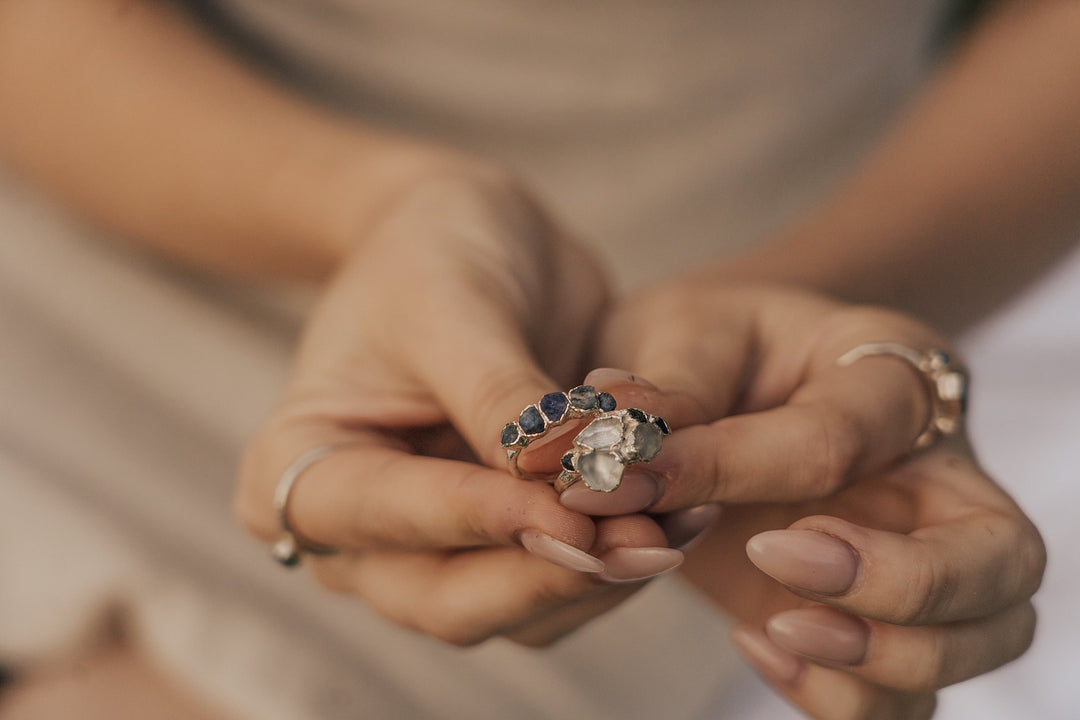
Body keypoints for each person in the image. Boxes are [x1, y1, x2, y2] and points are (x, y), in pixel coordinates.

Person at [0, 0, 1072, 718]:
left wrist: (824, 303)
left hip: (706, 341)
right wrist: (377, 206)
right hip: (110, 178)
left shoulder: (662, 441)